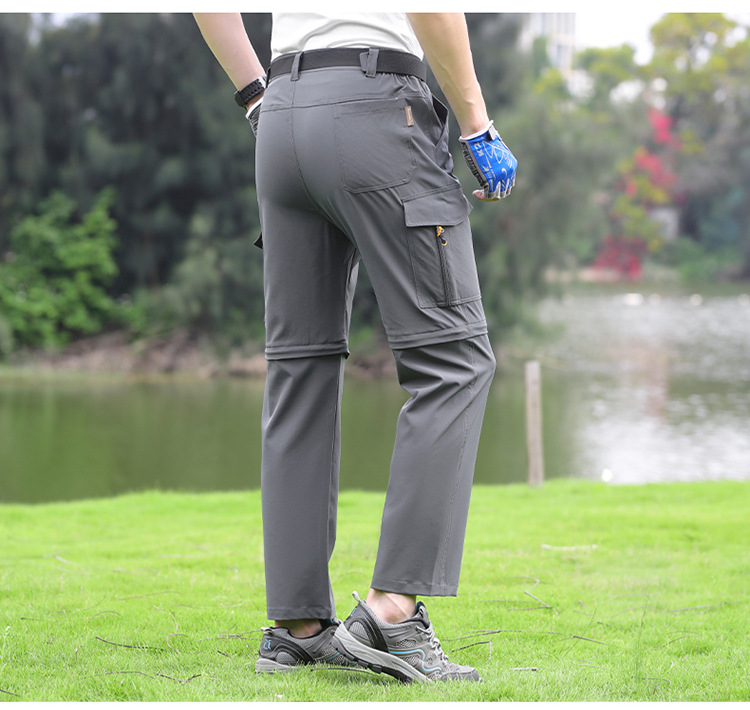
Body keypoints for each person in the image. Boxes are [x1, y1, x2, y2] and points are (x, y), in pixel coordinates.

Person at [193, 12, 517, 683]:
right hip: (377, 111)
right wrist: (476, 125)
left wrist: (254, 94)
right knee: (455, 363)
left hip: (280, 117)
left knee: (298, 371)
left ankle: (297, 628)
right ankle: (392, 612)